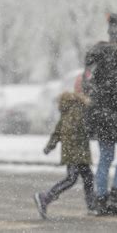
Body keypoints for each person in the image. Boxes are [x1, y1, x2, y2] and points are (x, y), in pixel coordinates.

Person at [83, 12, 117, 216]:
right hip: (112, 113)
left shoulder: (99, 53)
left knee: (106, 156)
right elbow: (112, 87)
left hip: (100, 113)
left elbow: (90, 82)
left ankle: (101, 199)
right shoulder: (116, 54)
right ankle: (116, 194)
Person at [33, 91, 95, 219]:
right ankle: (45, 197)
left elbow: (57, 133)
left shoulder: (68, 112)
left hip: (74, 152)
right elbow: (84, 128)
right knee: (72, 179)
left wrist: (50, 147)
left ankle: (91, 205)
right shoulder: (78, 110)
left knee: (86, 177)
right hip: (77, 152)